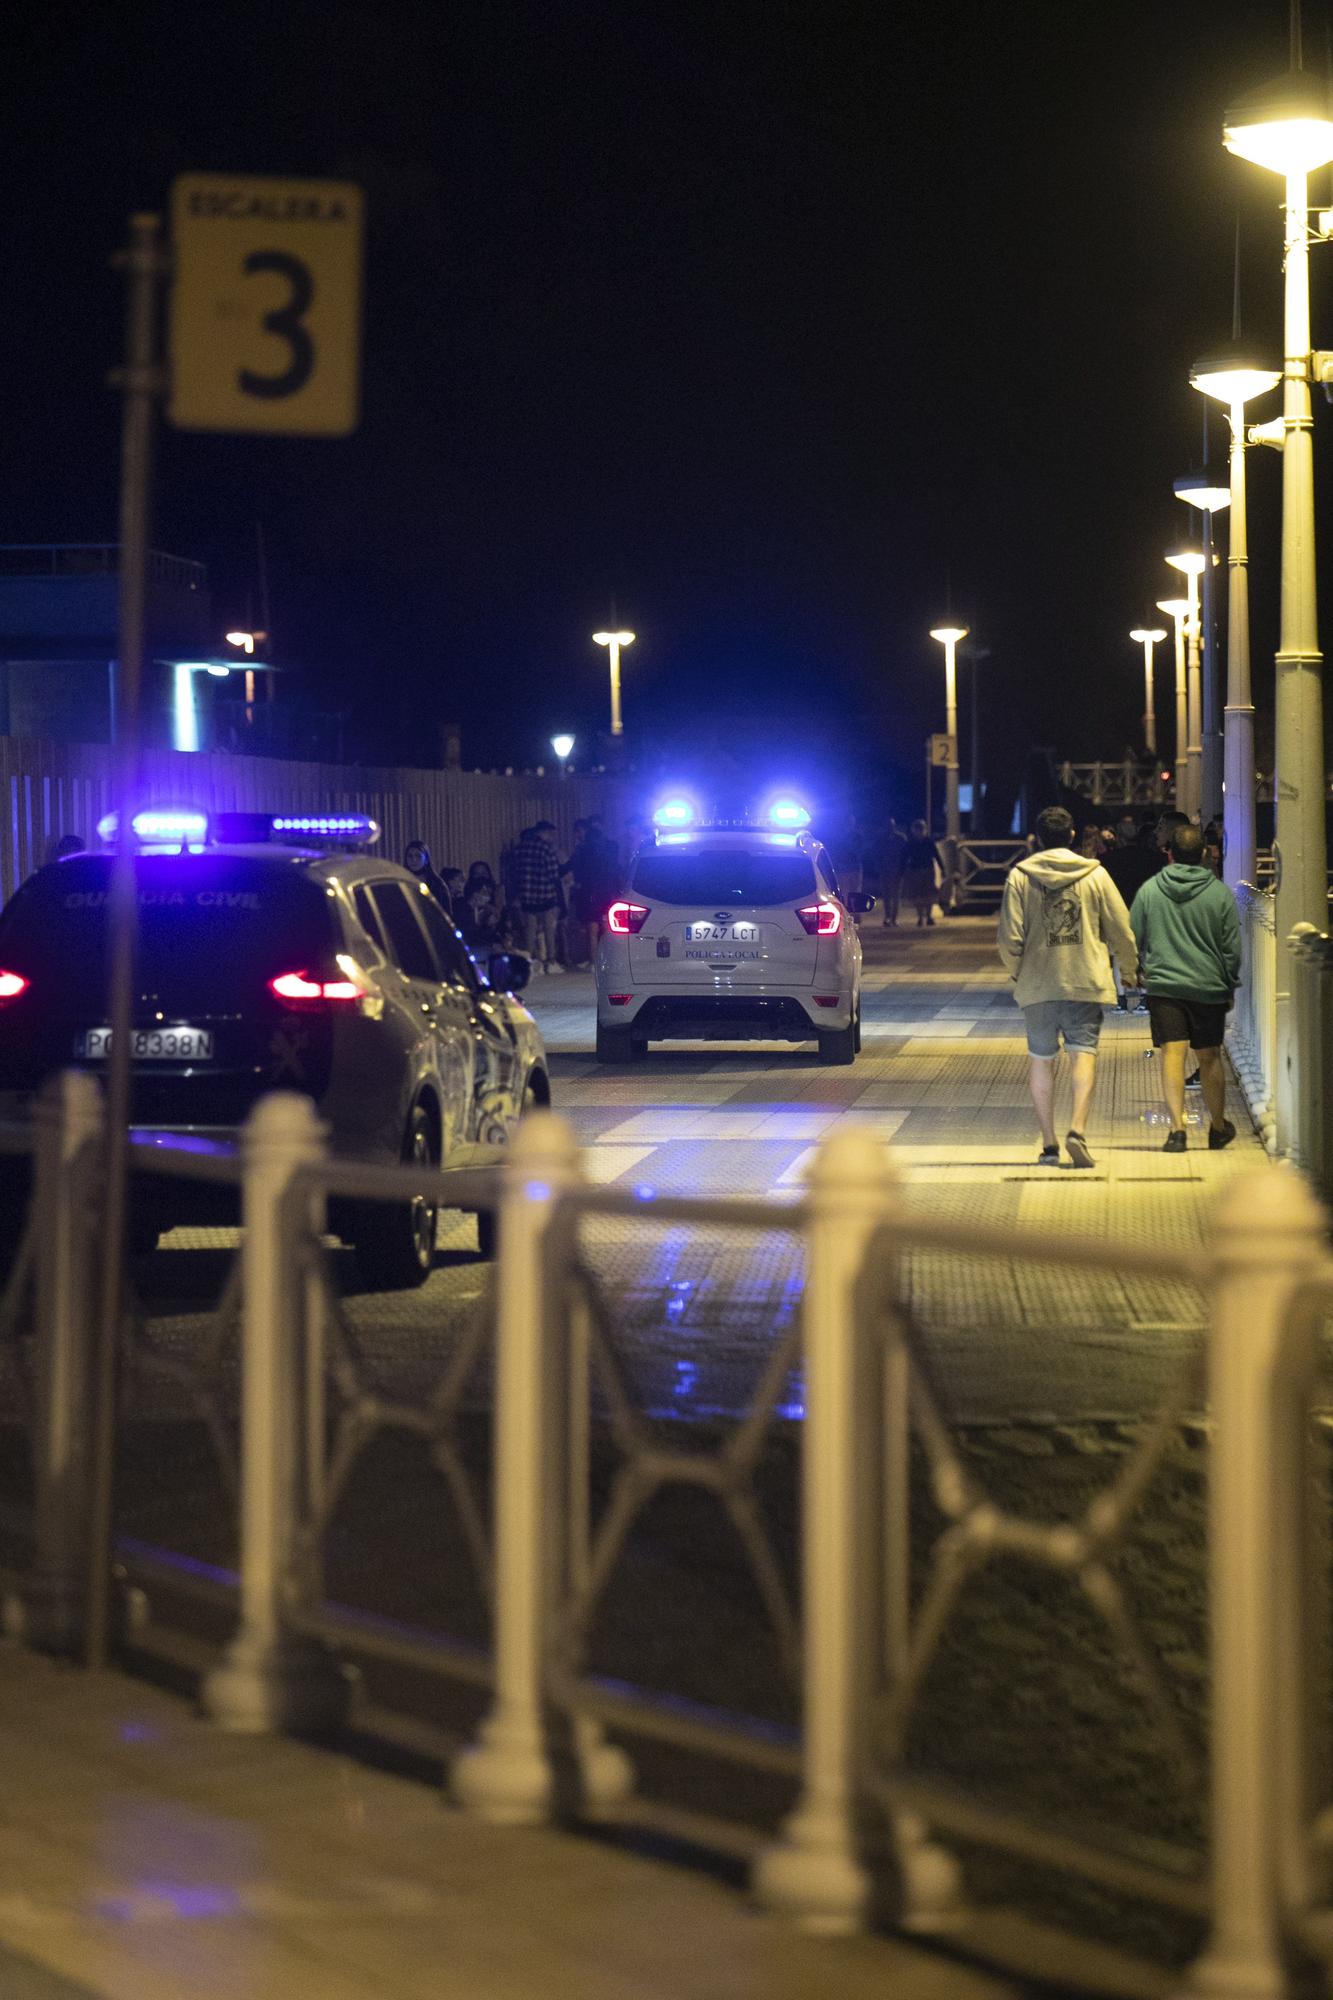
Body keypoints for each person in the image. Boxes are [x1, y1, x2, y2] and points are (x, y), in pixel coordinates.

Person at [997, 803, 1137, 1169]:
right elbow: (1121, 927)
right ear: (1072, 835)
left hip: (1038, 985)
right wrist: (1131, 968)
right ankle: (1077, 1130)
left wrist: (1019, 971)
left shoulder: (1019, 877)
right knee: (1083, 1054)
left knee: (1041, 1062)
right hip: (1084, 981)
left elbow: (1009, 938)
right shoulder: (1096, 875)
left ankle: (1048, 1144)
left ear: (1038, 838)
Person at [1129, 822, 1241, 1153]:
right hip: (1208, 987)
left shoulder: (1150, 891)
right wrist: (1229, 984)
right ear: (1204, 854)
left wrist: (1136, 969)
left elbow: (1133, 935)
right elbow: (1231, 948)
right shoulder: (1219, 893)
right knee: (1209, 1056)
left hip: (1165, 987)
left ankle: (1177, 1131)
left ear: (1170, 855)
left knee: (1172, 1056)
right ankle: (1217, 1128)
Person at [511, 820, 564, 973]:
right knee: (549, 929)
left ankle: (530, 961)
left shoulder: (521, 848)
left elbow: (514, 870)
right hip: (545, 893)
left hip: (526, 894)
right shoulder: (545, 848)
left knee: (530, 930)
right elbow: (553, 872)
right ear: (545, 832)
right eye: (551, 834)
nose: (553, 837)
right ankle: (550, 961)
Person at [901, 820, 939, 927]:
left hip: (927, 869)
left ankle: (929, 916)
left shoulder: (929, 842)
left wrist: (942, 868)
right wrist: (902, 871)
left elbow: (936, 855)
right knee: (918, 895)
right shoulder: (910, 843)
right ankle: (920, 916)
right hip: (915, 870)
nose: (920, 832)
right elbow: (904, 858)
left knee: (929, 894)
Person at [880, 817, 908, 926]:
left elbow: (905, 855)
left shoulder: (900, 838)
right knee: (886, 896)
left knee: (896, 896)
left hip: (897, 870)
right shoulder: (881, 839)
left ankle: (894, 918)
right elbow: (877, 855)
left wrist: (902, 869)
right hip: (885, 871)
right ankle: (887, 917)